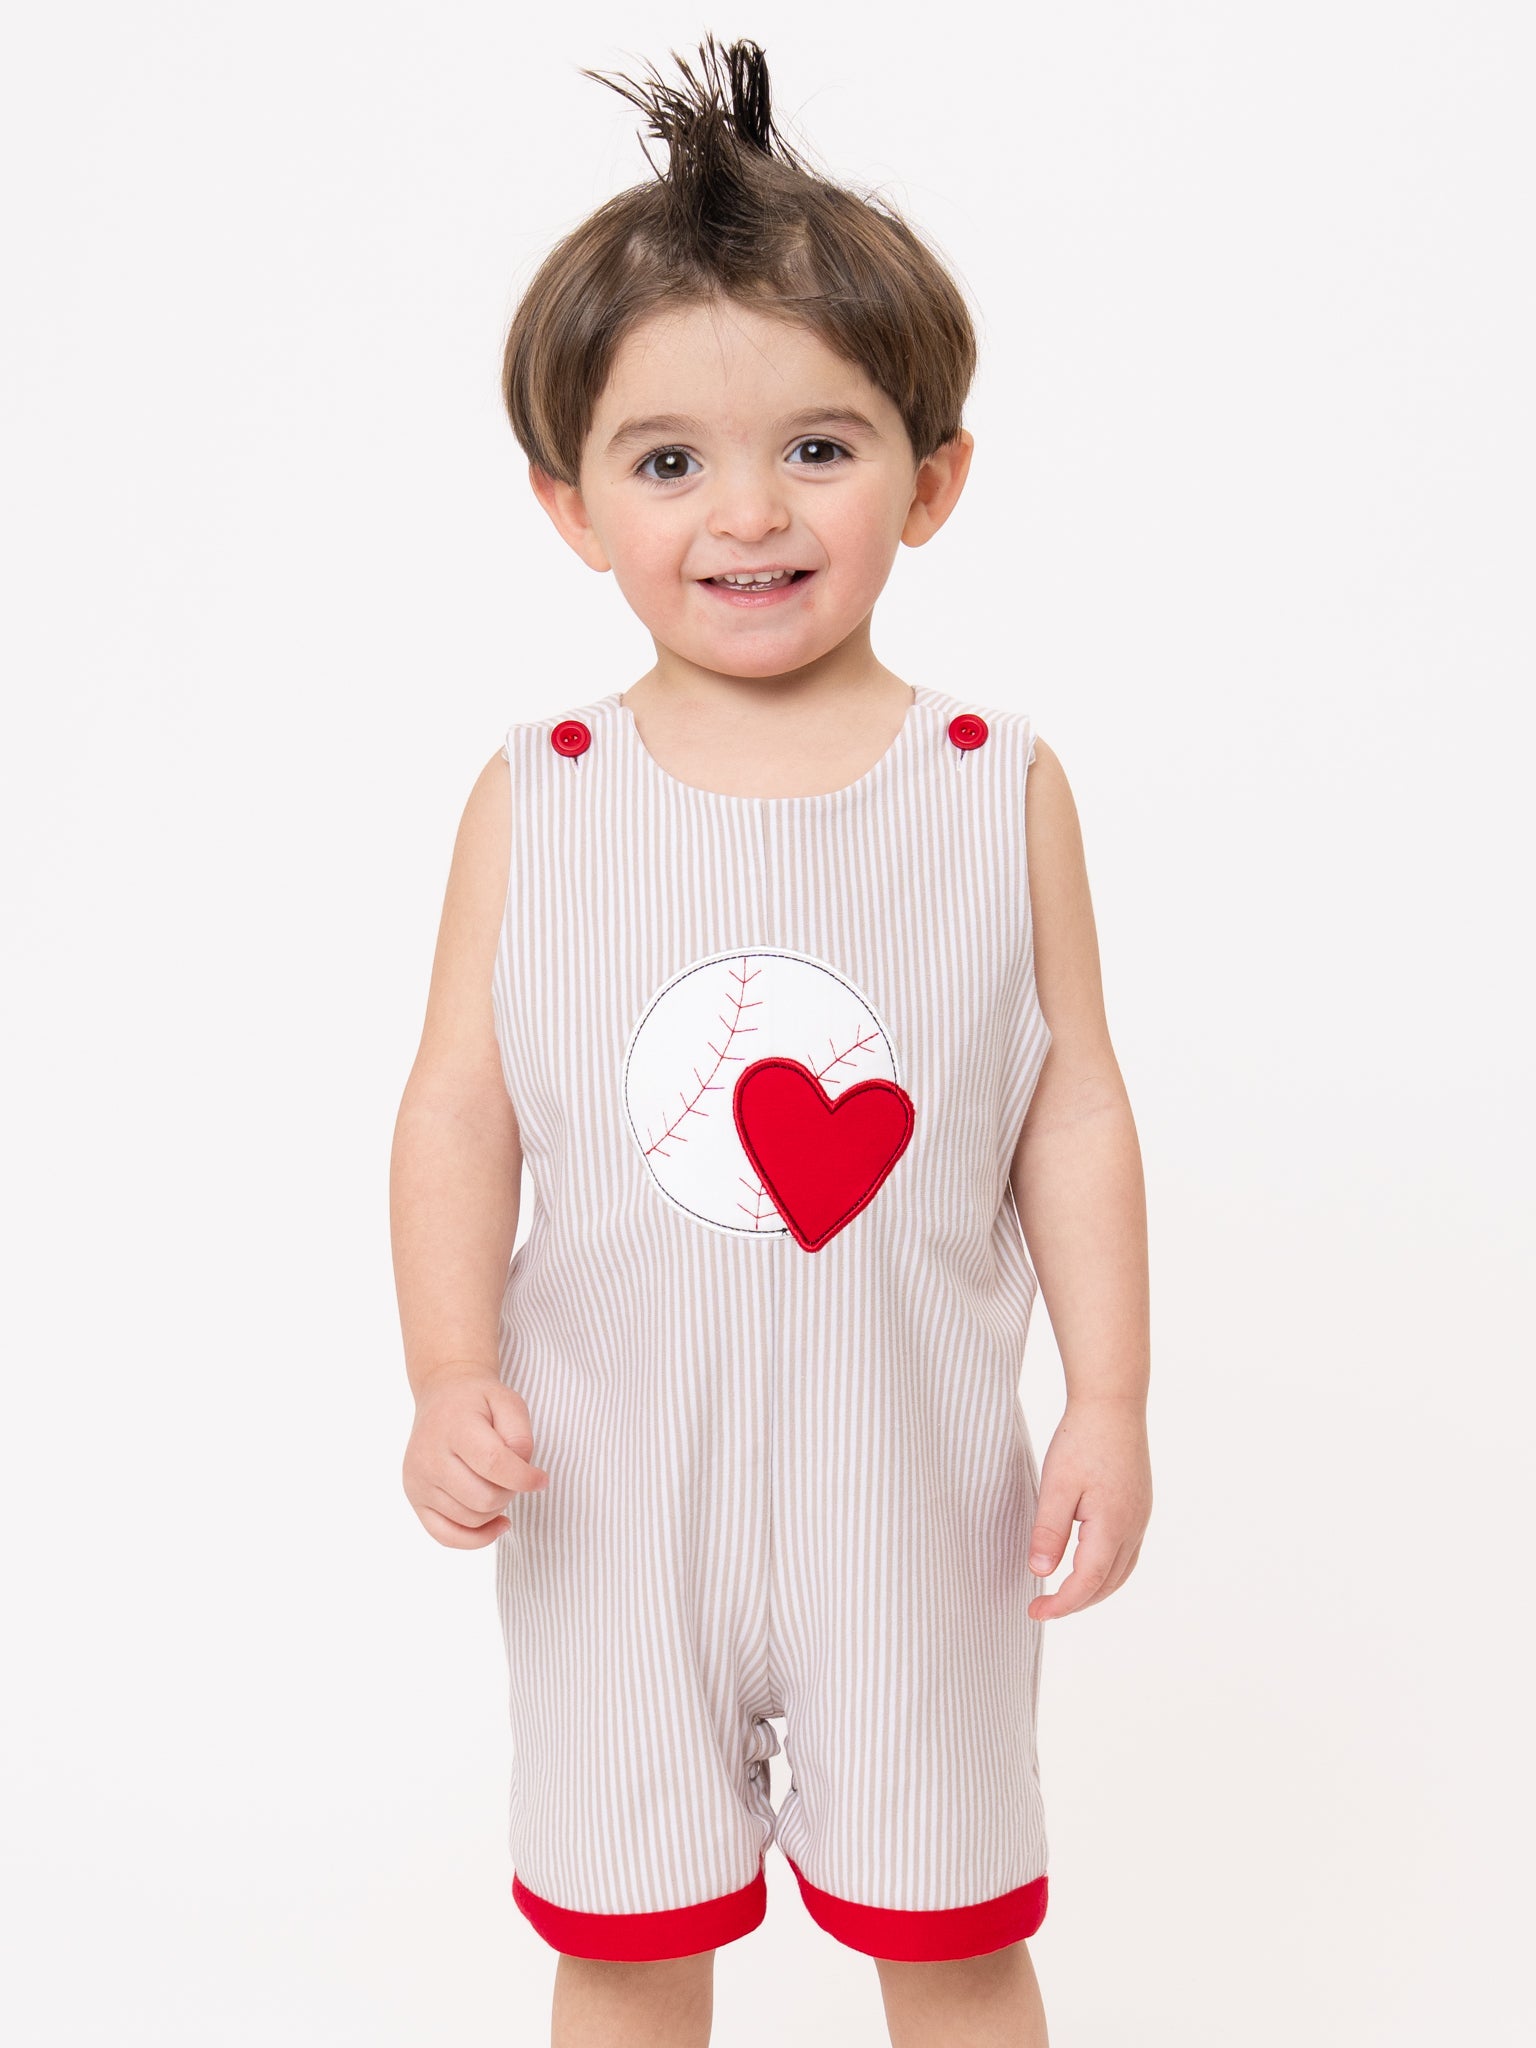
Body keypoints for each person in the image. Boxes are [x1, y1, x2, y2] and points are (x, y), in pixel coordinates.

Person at [390, 34, 1152, 2048]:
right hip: (613, 1486)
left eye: (819, 447)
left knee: (954, 1936)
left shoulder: (991, 782)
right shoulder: (541, 793)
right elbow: (458, 1108)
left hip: (911, 1488)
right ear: (570, 505)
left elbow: (1072, 1108)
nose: (747, 511)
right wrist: (448, 1367)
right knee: (630, 1939)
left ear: (934, 476)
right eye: (668, 463)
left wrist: (1109, 1397)